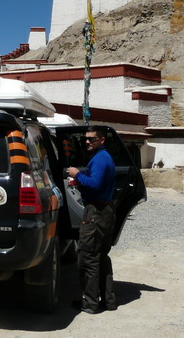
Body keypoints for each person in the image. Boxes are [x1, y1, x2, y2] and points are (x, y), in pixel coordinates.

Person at [66, 126, 117, 314]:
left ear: (101, 140)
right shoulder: (101, 158)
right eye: (86, 139)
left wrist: (77, 175)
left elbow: (95, 184)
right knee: (101, 257)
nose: (87, 142)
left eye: (92, 139)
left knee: (88, 258)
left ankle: (90, 303)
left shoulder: (101, 159)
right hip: (105, 211)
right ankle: (108, 301)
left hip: (96, 212)